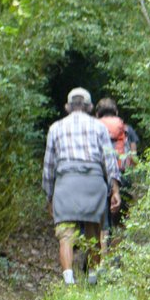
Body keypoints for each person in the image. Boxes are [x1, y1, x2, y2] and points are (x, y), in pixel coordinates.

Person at [42, 87, 120, 285]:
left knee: (66, 235)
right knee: (94, 232)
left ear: (67, 107)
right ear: (89, 107)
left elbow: (49, 166)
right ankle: (92, 279)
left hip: (65, 184)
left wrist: (49, 195)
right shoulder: (99, 127)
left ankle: (69, 281)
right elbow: (109, 160)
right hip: (93, 184)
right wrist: (115, 189)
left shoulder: (55, 128)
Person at [93, 97, 139, 232]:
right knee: (121, 217)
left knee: (101, 217)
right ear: (116, 112)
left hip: (99, 174)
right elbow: (133, 154)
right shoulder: (126, 129)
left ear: (97, 114)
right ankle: (118, 244)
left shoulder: (93, 128)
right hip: (122, 173)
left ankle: (102, 243)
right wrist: (133, 174)